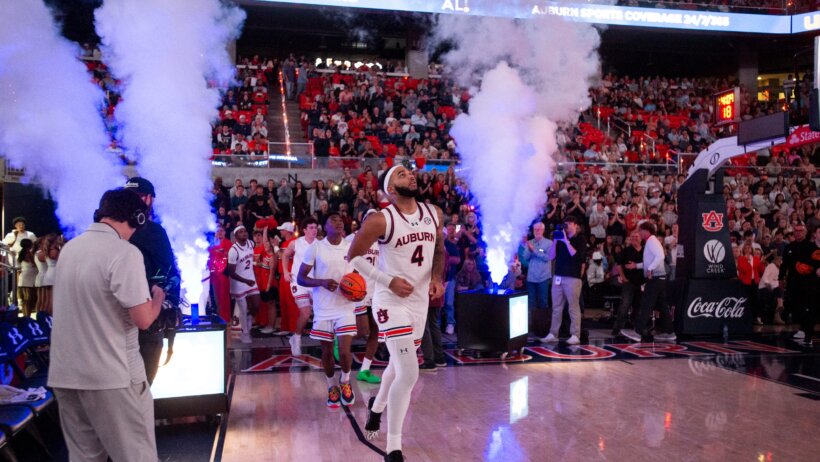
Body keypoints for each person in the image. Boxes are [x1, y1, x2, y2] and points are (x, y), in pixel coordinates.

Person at [48, 188, 166, 462]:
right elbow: (143, 319)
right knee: (137, 456)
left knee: (85, 457)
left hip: (66, 374)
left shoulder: (70, 249)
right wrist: (158, 297)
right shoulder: (124, 253)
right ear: (138, 217)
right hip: (112, 375)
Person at [347, 165, 445, 462]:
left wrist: (438, 279)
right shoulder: (381, 219)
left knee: (399, 366)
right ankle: (394, 448)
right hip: (390, 300)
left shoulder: (434, 213)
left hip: (418, 302)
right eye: (402, 174)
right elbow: (352, 257)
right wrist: (387, 280)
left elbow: (439, 250)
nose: (411, 175)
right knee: (409, 371)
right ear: (390, 188)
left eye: (411, 172)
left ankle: (376, 408)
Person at [125, 177, 181, 385]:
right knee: (137, 388)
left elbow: (170, 274)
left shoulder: (154, 232)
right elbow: (171, 274)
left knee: (137, 388)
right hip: (135, 321)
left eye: (137, 196)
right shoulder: (150, 232)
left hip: (139, 320)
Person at [298, 213, 357, 408]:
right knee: (326, 350)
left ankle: (346, 381)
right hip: (323, 307)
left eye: (341, 220)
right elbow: (301, 278)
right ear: (325, 226)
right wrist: (321, 282)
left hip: (345, 306)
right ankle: (332, 386)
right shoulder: (316, 248)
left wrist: (358, 289)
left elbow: (357, 275)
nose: (339, 223)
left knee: (345, 350)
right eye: (333, 220)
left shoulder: (350, 247)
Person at [344, 209, 382, 384]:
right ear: (364, 220)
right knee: (363, 331)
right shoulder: (353, 239)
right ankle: (340, 340)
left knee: (376, 331)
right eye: (369, 218)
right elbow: (346, 263)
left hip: (376, 290)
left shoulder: (382, 241)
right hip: (358, 289)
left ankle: (365, 370)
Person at [622, 222, 676, 342]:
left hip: (655, 279)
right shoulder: (651, 241)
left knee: (646, 305)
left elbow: (660, 256)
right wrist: (636, 266)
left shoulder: (652, 241)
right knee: (662, 307)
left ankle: (637, 332)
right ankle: (670, 332)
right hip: (660, 279)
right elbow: (651, 261)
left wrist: (650, 269)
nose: (639, 233)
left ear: (646, 230)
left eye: (640, 230)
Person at [540, 216, 587, 345]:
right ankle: (553, 333)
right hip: (558, 276)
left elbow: (577, 256)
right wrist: (556, 240)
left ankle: (575, 334)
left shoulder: (580, 239)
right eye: (565, 224)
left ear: (576, 225)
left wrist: (566, 241)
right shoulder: (560, 238)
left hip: (573, 277)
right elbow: (551, 256)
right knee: (556, 307)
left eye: (569, 224)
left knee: (573, 307)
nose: (566, 226)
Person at [281, 217, 319, 355]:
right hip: (298, 282)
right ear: (304, 230)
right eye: (311, 227)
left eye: (315, 227)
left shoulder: (320, 244)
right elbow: (285, 256)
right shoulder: (296, 243)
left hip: (314, 282)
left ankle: (327, 341)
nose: (314, 230)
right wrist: (286, 272)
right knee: (306, 312)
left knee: (321, 312)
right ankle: (296, 338)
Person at [780, 225, 819, 342]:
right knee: (792, 305)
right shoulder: (789, 247)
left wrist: (806, 266)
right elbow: (784, 264)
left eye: (800, 231)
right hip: (793, 282)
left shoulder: (811, 247)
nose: (798, 233)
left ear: (805, 232)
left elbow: (817, 263)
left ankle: (804, 330)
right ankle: (799, 326)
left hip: (808, 283)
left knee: (806, 307)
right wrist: (780, 278)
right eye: (796, 231)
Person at [226, 225, 262, 344]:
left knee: (256, 304)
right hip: (238, 282)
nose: (244, 233)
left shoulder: (251, 243)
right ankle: (245, 333)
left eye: (245, 231)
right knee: (243, 308)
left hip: (250, 278)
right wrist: (246, 281)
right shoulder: (233, 250)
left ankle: (249, 319)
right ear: (236, 236)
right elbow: (231, 272)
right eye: (241, 232)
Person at [612, 231, 644, 336]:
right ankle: (617, 328)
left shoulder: (646, 250)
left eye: (637, 236)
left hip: (642, 283)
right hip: (629, 282)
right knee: (624, 305)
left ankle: (637, 328)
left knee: (639, 306)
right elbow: (619, 265)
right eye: (632, 236)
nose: (634, 238)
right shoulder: (626, 251)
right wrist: (623, 277)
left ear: (641, 238)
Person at [520, 222, 553, 322]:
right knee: (531, 302)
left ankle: (543, 324)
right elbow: (525, 257)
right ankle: (532, 324)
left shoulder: (549, 243)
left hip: (543, 277)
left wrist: (534, 250)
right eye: (535, 229)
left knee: (543, 302)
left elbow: (548, 258)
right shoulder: (530, 242)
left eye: (539, 229)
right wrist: (530, 250)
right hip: (531, 277)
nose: (537, 231)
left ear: (543, 230)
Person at [275, 222, 299, 335]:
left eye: (282, 230)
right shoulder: (284, 242)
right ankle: (285, 327)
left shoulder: (294, 242)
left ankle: (294, 328)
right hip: (283, 275)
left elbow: (283, 255)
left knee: (291, 302)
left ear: (287, 231)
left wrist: (275, 246)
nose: (280, 232)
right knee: (283, 301)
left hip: (290, 275)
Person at [442, 222, 461, 335]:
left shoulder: (451, 245)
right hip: (438, 278)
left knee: (448, 302)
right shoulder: (433, 245)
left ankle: (450, 323)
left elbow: (458, 260)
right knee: (437, 304)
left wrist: (445, 259)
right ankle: (438, 324)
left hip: (449, 277)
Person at [16, 239, 37, 316]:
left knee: (26, 300)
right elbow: (34, 264)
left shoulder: (20, 253)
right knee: (29, 299)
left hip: (24, 277)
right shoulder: (29, 254)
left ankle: (26, 316)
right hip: (30, 277)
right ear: (30, 245)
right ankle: (27, 316)